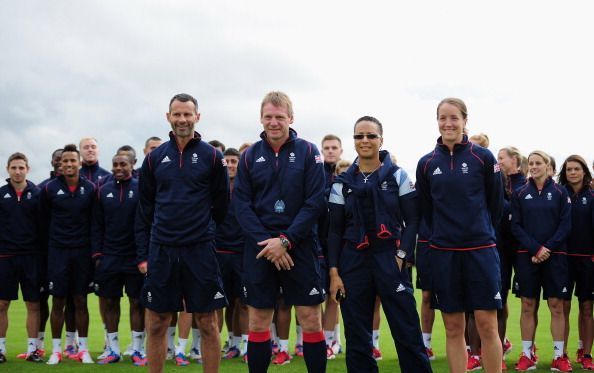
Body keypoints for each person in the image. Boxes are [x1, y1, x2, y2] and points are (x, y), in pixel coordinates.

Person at [327, 116, 431, 373]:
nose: (365, 141)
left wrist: (402, 255)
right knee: (357, 336)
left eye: (370, 136)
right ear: (353, 141)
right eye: (359, 136)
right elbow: (334, 230)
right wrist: (334, 272)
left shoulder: (398, 175)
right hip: (353, 260)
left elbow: (413, 219)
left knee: (407, 329)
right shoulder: (342, 182)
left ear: (381, 140)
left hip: (389, 257)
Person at [234, 91, 327, 373]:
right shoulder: (249, 156)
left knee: (311, 318)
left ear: (291, 118)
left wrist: (286, 241)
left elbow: (315, 202)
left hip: (299, 245)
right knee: (258, 321)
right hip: (261, 248)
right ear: (261, 119)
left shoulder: (309, 151)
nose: (273, 123)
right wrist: (270, 244)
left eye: (279, 117)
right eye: (268, 117)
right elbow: (241, 205)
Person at [135, 93, 229, 373]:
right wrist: (146, 252)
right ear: (168, 117)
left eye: (187, 114)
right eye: (177, 114)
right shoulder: (154, 159)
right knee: (156, 322)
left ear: (197, 117)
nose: (182, 120)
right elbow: (145, 210)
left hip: (199, 250)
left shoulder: (213, 157)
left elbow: (222, 206)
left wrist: (202, 231)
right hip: (162, 249)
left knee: (208, 322)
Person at [415, 98, 504, 373]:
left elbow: (496, 205)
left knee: (487, 325)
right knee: (453, 327)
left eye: (454, 117)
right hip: (444, 253)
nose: (448, 123)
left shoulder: (483, 158)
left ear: (465, 120)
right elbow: (426, 212)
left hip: (481, 251)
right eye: (443, 118)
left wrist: (478, 231)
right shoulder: (427, 163)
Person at [511, 150, 572, 372]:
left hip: (555, 257)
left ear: (548, 166)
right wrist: (536, 248)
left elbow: (565, 225)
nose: (534, 166)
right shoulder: (520, 193)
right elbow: (515, 226)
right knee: (528, 305)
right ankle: (527, 355)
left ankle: (559, 356)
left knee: (556, 305)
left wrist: (547, 248)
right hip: (527, 257)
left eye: (539, 163)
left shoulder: (560, 192)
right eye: (532, 163)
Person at [40, 144, 97, 365]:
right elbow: (42, 222)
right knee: (58, 301)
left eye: (73, 160)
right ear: (60, 165)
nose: (69, 164)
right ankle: (56, 350)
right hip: (58, 253)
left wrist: (94, 254)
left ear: (79, 163)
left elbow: (95, 223)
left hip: (82, 253)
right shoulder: (49, 189)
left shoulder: (90, 189)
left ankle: (83, 349)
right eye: (66, 161)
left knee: (80, 300)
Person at [91, 153, 146, 366]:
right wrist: (97, 255)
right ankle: (113, 349)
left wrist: (144, 256)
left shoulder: (141, 188)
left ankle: (138, 350)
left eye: (123, 164)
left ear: (133, 165)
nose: (118, 168)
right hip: (109, 258)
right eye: (115, 165)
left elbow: (146, 224)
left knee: (136, 303)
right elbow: (96, 225)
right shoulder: (102, 190)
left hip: (135, 258)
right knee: (111, 302)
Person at [0, 153, 43, 363]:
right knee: (1, 304)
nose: (18, 171)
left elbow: (44, 227)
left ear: (28, 169)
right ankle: (0, 350)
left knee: (33, 304)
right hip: (5, 257)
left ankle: (33, 350)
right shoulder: (0, 194)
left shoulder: (37, 194)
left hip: (31, 258)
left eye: (21, 168)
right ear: (7, 169)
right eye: (14, 168)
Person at [558, 155, 594, 369]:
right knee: (563, 307)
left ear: (584, 171)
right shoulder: (560, 194)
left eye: (576, 169)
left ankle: (586, 353)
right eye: (569, 169)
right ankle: (561, 353)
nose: (572, 172)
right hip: (563, 259)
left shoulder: (591, 195)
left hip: (587, 260)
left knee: (587, 307)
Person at [216, 148, 249, 362]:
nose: (230, 164)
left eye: (234, 161)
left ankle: (247, 346)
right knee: (223, 303)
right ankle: (231, 343)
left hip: (242, 252)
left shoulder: (246, 188)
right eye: (227, 160)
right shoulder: (215, 188)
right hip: (219, 252)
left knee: (244, 302)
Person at [496, 146, 528, 365]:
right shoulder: (496, 182)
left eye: (501, 158)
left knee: (529, 301)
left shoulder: (526, 184)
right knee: (499, 300)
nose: (498, 162)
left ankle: (528, 350)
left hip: (523, 249)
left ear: (514, 160)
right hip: (500, 250)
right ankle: (498, 353)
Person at [319, 134, 344, 360]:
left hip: (341, 245)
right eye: (326, 147)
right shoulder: (317, 175)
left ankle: (332, 340)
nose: (330, 151)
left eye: (334, 147)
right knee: (317, 296)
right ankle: (325, 340)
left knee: (334, 295)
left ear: (341, 150)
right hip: (318, 244)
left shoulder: (348, 176)